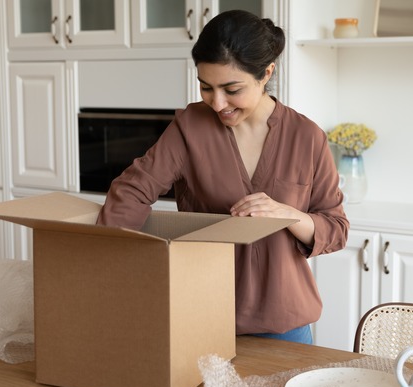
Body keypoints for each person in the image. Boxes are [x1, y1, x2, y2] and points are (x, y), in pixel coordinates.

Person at [96, 10, 349, 344]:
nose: (217, 103)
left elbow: (336, 228)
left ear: (265, 74)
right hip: (202, 316)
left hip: (286, 324)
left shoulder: (307, 137)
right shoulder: (190, 128)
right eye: (206, 87)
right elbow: (131, 192)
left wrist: (288, 214)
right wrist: (111, 270)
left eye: (232, 89)